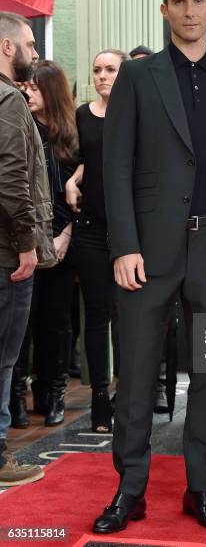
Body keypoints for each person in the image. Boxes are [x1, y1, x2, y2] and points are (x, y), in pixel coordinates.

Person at [93, 0, 206, 534]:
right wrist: (123, 245)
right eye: (177, 1)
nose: (188, 11)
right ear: (164, 9)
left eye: (198, 1)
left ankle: (201, 489)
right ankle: (129, 492)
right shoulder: (138, 76)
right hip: (147, 252)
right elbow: (116, 164)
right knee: (134, 376)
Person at [0, 12, 56, 485]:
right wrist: (25, 246)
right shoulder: (8, 102)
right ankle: (0, 460)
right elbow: (14, 182)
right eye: (29, 44)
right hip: (6, 255)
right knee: (3, 359)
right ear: (6, 47)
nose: (34, 55)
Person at [10, 60, 79, 428]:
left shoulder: (70, 135)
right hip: (28, 241)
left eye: (35, 88)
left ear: (50, 91)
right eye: (26, 87)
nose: (27, 93)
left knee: (57, 323)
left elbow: (80, 190)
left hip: (65, 240)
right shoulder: (22, 126)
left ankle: (53, 392)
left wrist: (66, 233)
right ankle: (17, 396)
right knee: (23, 325)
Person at [65, 48, 127, 433]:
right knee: (96, 315)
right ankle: (100, 398)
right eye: (97, 70)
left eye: (110, 70)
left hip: (125, 231)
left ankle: (126, 391)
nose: (102, 76)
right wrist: (73, 178)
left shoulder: (134, 115)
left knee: (125, 317)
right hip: (89, 226)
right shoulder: (83, 115)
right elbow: (86, 157)